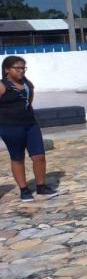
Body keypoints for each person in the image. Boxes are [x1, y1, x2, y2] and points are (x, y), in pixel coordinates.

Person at [0, 56, 57, 202]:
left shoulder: (27, 84)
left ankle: (41, 187)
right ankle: (24, 190)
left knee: (39, 156)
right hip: (10, 127)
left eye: (23, 68)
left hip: (30, 125)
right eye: (17, 68)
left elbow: (28, 103)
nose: (21, 71)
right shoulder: (2, 85)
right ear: (7, 70)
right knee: (17, 158)